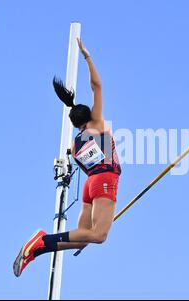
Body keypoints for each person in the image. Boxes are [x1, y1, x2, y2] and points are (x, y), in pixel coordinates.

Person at [13, 38, 121, 277]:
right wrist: (87, 56)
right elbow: (97, 86)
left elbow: (85, 169)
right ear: (89, 116)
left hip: (90, 186)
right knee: (99, 236)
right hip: (104, 180)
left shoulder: (75, 144)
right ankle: (43, 240)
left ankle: (38, 250)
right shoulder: (97, 124)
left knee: (83, 238)